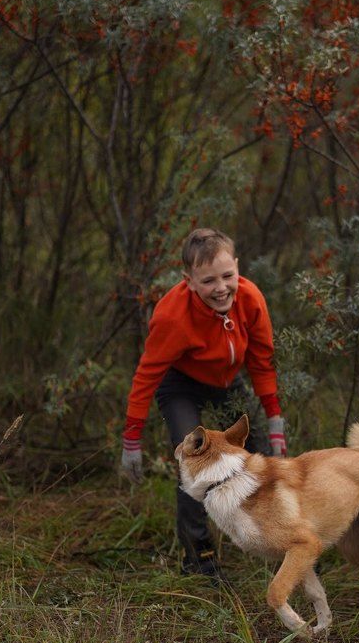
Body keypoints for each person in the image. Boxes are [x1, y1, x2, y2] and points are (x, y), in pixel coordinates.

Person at [121, 227, 287, 584]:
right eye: (208, 280)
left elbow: (261, 359)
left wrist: (274, 418)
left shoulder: (250, 298)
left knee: (261, 458)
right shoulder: (172, 316)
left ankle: (284, 539)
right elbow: (146, 375)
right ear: (189, 281)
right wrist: (131, 441)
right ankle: (199, 557)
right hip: (181, 385)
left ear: (238, 267)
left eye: (228, 276)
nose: (221, 287)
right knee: (195, 463)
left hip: (229, 383)